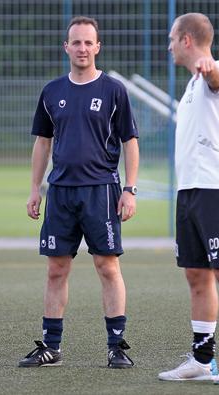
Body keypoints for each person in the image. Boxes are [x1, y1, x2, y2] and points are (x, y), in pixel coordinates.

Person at [18, 16, 139, 369]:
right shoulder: (52, 91)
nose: (82, 48)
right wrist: (34, 189)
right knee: (56, 270)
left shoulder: (114, 91)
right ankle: (51, 348)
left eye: (89, 42)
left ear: (97, 47)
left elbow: (130, 143)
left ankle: (117, 347)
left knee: (107, 266)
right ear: (66, 47)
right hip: (60, 192)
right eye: (77, 42)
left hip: (101, 190)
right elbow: (43, 143)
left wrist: (129, 189)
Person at [158, 13, 219, 385]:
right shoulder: (190, 86)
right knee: (196, 274)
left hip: (218, 191)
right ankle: (202, 359)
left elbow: (216, 78)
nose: (168, 46)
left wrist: (209, 66)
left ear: (186, 39)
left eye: (171, 38)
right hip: (190, 191)